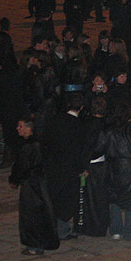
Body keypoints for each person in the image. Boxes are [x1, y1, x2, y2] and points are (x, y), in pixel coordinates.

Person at [9, 119, 60, 256]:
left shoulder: (30, 146)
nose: (17, 128)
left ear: (28, 128)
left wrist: (14, 179)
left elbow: (22, 166)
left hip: (32, 184)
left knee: (31, 214)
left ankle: (35, 244)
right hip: (40, 182)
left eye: (20, 126)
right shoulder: (38, 143)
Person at [98, 101, 131, 241]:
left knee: (114, 197)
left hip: (113, 166)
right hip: (130, 167)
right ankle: (129, 231)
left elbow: (99, 148)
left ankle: (115, 230)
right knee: (130, 199)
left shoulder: (108, 130)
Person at [43, 94, 85, 241]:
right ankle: (61, 230)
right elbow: (78, 151)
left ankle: (50, 227)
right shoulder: (78, 125)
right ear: (81, 108)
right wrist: (81, 169)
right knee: (66, 200)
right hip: (69, 169)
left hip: (53, 166)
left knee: (53, 197)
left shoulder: (54, 121)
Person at [74, 97, 110, 237]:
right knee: (98, 198)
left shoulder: (86, 124)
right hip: (97, 166)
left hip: (90, 165)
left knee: (88, 198)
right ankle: (98, 226)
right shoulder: (104, 126)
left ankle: (86, 225)